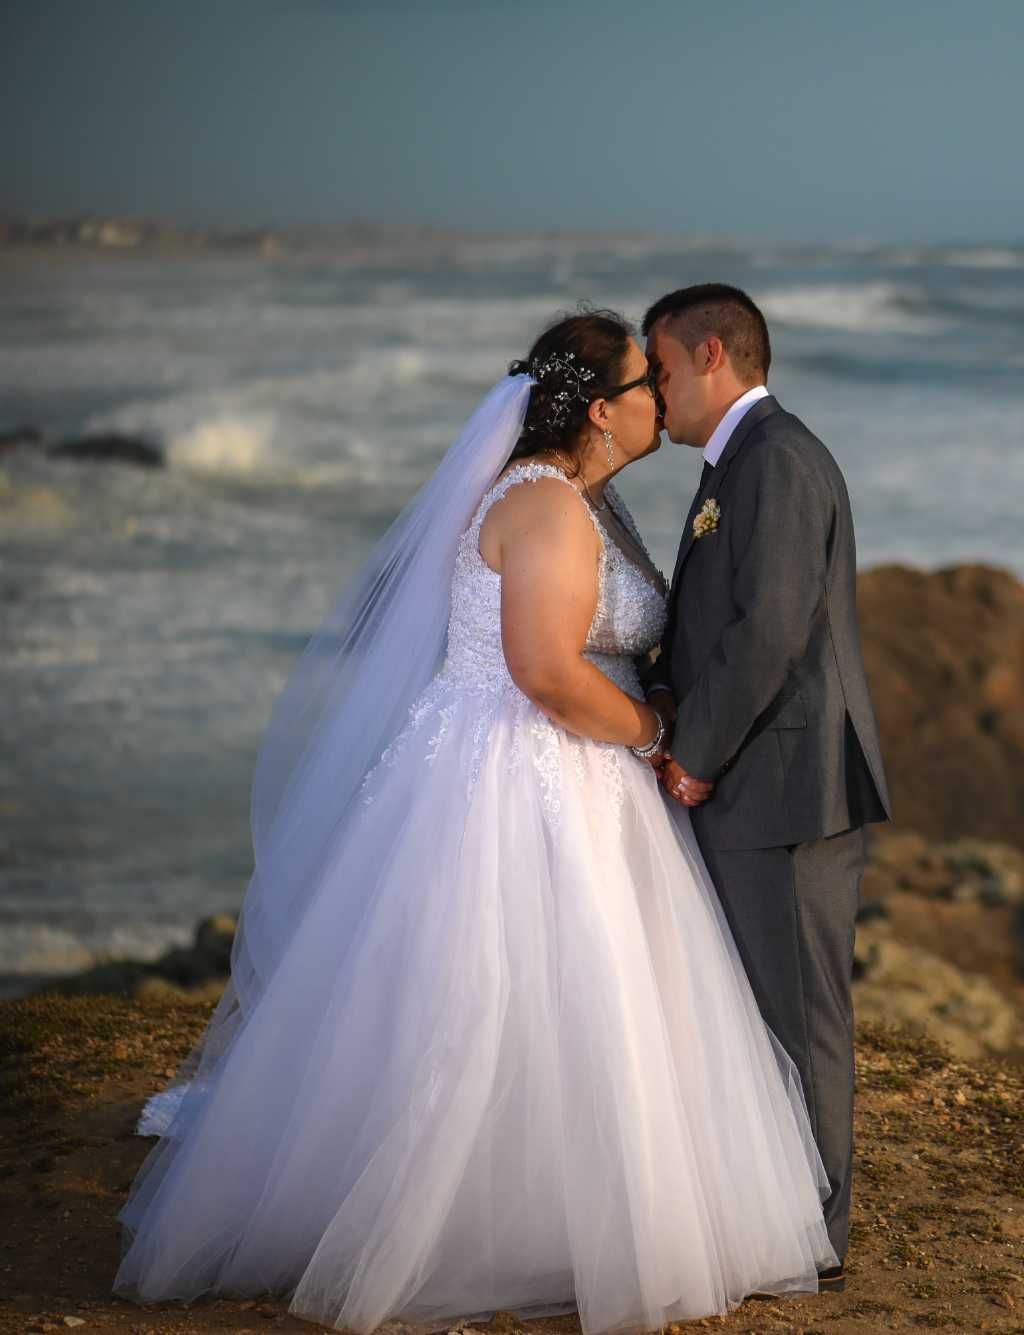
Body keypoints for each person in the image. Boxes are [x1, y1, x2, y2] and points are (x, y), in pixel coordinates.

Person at [113, 309, 840, 1334]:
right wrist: (650, 730)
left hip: (581, 775)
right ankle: (490, 1221)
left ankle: (565, 1198)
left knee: (594, 1001)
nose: (660, 401)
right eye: (645, 387)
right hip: (524, 773)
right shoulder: (543, 506)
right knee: (503, 998)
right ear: (601, 410)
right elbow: (543, 672)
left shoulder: (590, 501)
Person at [637, 284, 892, 1292]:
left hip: (786, 790)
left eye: (659, 370)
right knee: (765, 1016)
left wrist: (692, 750)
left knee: (801, 1021)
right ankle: (779, 1216)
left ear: (711, 356)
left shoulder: (774, 461)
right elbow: (718, 622)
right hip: (766, 781)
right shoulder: (737, 462)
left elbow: (772, 631)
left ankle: (816, 1239)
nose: (654, 393)